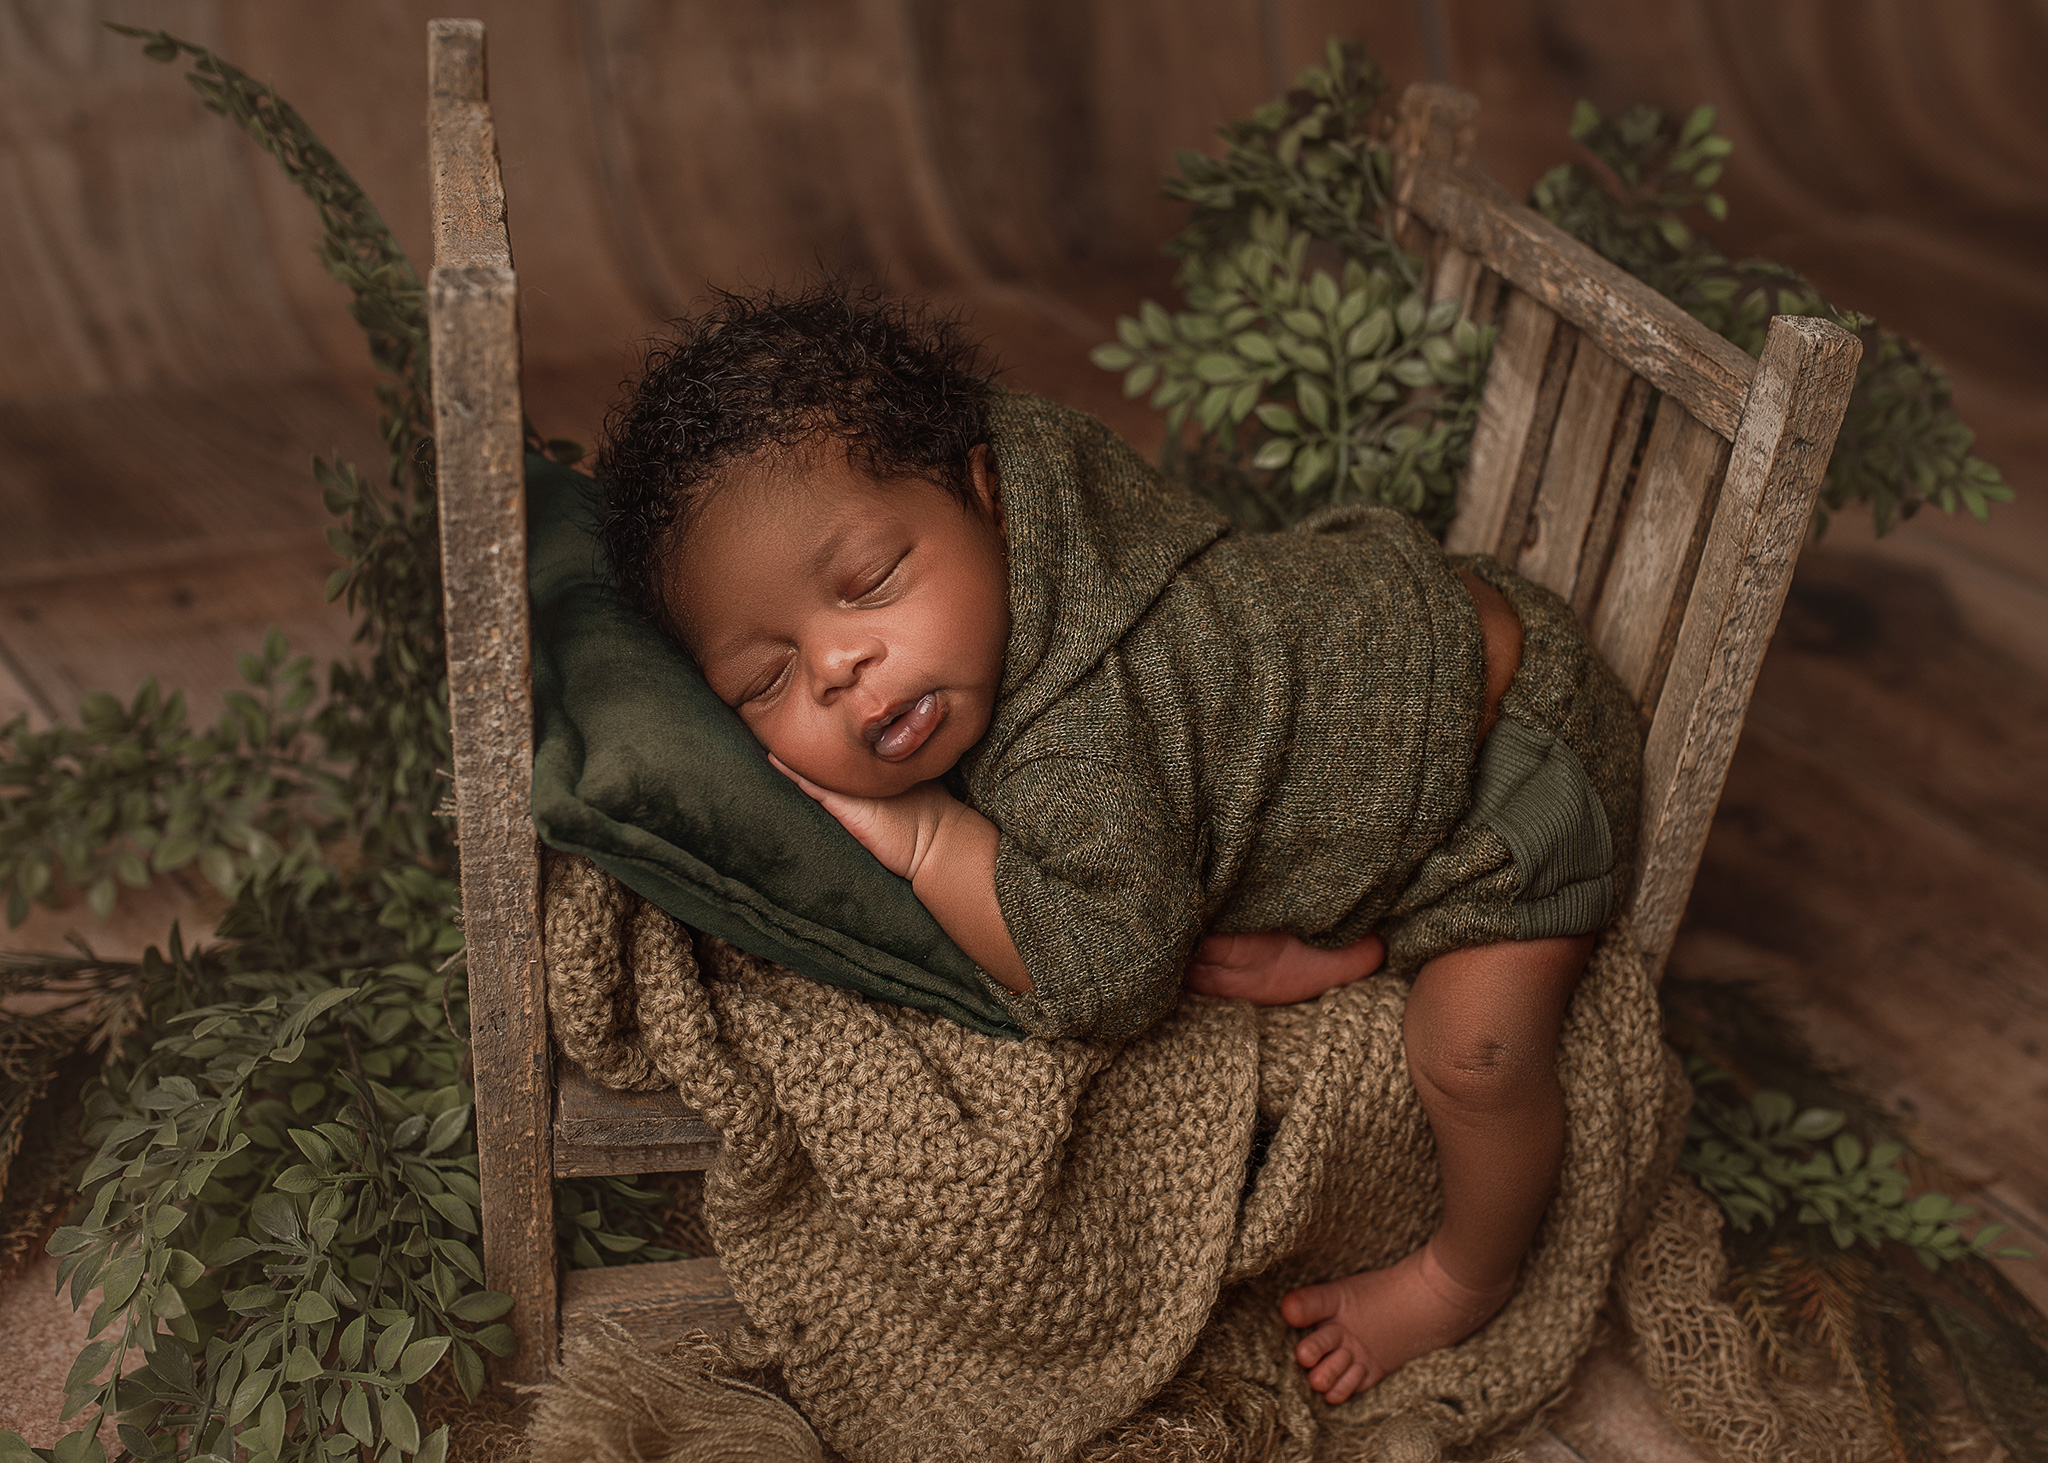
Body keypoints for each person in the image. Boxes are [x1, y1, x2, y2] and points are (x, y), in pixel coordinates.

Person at [598, 283, 1641, 1404]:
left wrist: (927, 838)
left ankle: (1462, 1274)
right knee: (1238, 839)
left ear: (984, 496)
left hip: (1510, 766)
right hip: (1380, 668)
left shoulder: (1083, 732)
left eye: (868, 584)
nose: (838, 665)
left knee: (1472, 1057)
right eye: (765, 679)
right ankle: (1359, 934)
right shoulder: (1021, 496)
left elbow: (1106, 973)